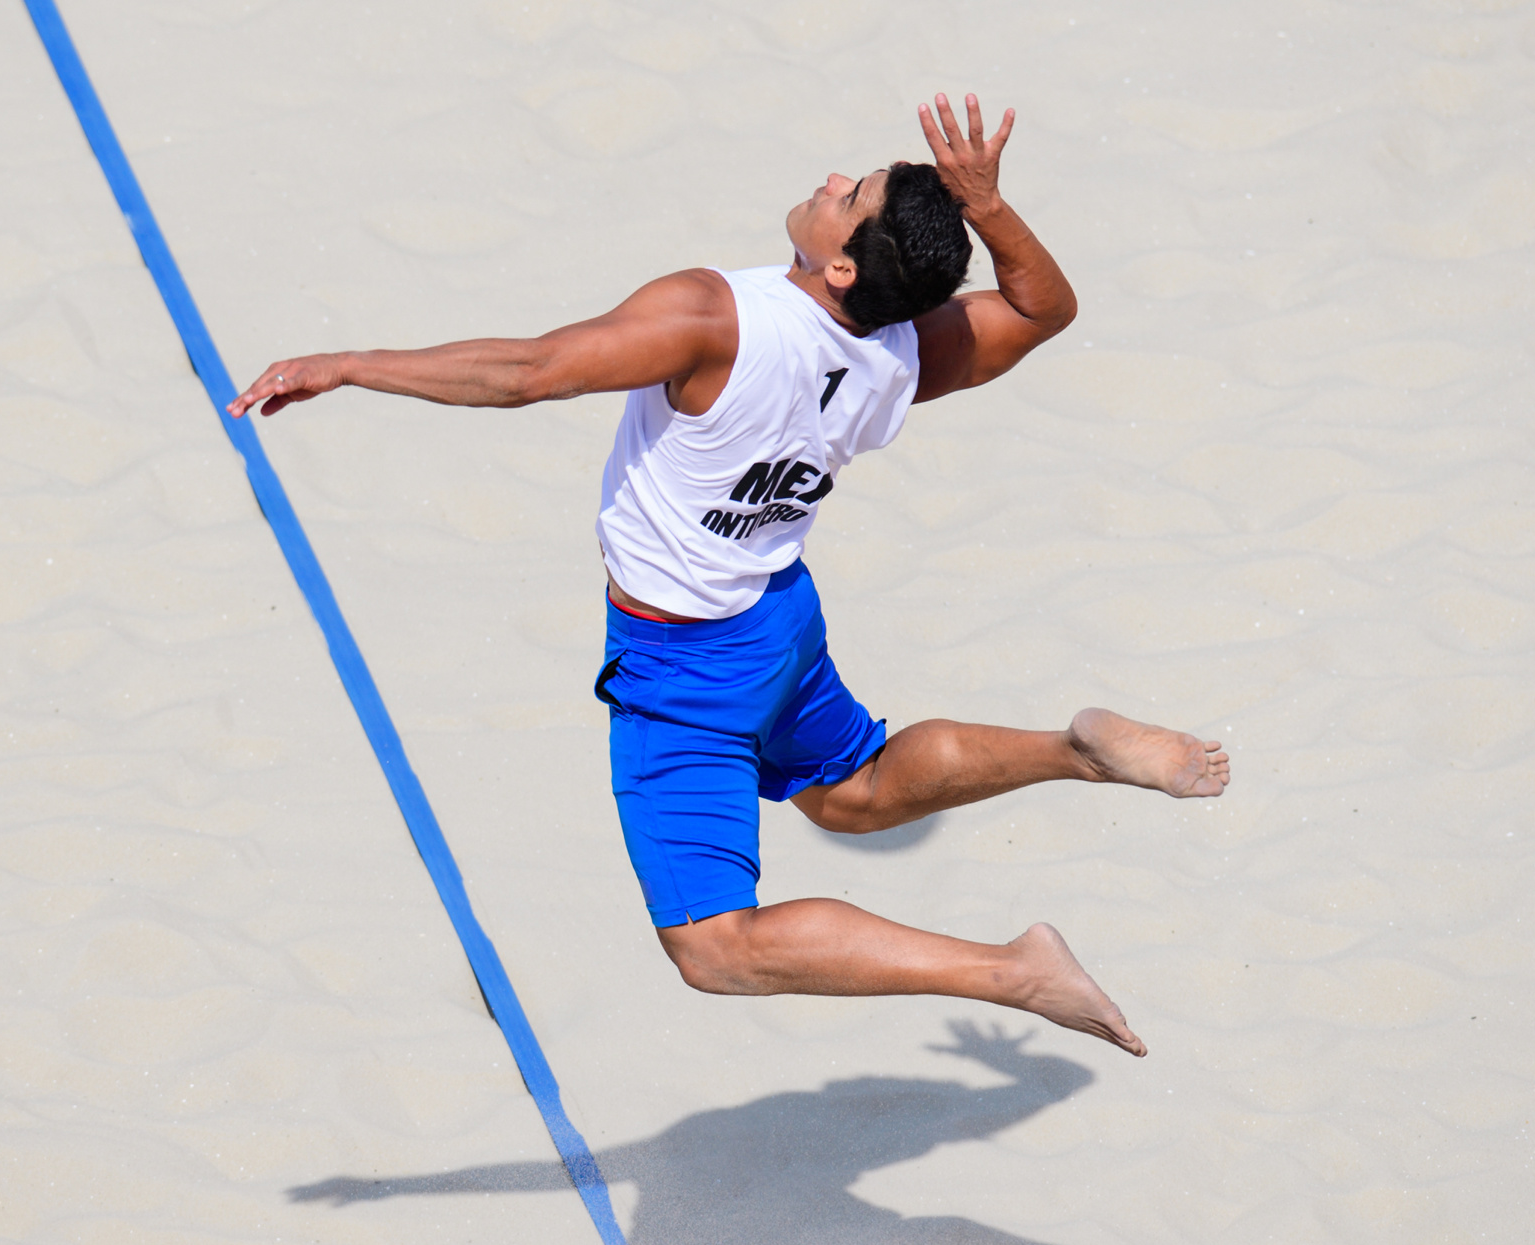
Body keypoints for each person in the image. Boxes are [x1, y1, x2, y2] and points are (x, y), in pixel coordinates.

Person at [229, 95, 1227, 1056]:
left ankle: (1008, 970)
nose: (832, 179)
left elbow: (527, 373)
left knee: (712, 947)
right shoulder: (903, 353)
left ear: (840, 264)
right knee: (853, 792)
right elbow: (1040, 308)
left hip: (683, 657)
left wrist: (354, 362)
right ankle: (1076, 751)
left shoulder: (711, 317)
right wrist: (988, 205)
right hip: (773, 618)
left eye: (850, 194)